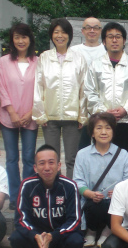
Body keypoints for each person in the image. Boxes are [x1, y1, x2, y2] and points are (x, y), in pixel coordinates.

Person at [9, 144, 83, 248]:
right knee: (16, 238)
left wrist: (53, 235)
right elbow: (20, 218)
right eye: (42, 163)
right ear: (35, 168)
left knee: (77, 239)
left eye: (51, 162)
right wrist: (35, 235)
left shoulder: (69, 186)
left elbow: (75, 220)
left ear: (59, 165)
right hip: (36, 238)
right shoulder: (27, 185)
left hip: (59, 237)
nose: (47, 168)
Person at [33, 18, 87, 178]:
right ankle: (53, 191)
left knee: (72, 159)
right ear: (51, 35)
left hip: (73, 117)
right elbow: (38, 85)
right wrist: (40, 114)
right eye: (56, 32)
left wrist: (82, 115)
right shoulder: (44, 57)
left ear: (69, 35)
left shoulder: (79, 58)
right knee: (51, 159)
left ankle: (70, 191)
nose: (60, 36)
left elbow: (84, 88)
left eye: (63, 32)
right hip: (50, 117)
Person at [73, 113, 128, 248]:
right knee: (96, 205)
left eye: (108, 128)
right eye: (99, 128)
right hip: (92, 203)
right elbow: (77, 181)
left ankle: (108, 231)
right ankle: (91, 231)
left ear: (113, 131)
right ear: (92, 133)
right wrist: (89, 193)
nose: (104, 132)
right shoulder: (82, 155)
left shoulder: (122, 154)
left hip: (115, 202)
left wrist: (119, 191)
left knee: (117, 204)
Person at [84, 22, 128, 156]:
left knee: (125, 158)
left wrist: (125, 110)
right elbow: (89, 92)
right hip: (102, 123)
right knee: (101, 157)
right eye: (110, 37)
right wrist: (104, 112)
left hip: (126, 121)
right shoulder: (96, 65)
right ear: (104, 41)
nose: (114, 40)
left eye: (118, 36)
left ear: (124, 41)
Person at [0, 23, 39, 210]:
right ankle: (14, 196)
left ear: (30, 39)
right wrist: (12, 112)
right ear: (12, 40)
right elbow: (1, 88)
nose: (21, 41)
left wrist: (30, 113)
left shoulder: (38, 62)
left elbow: (41, 90)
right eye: (17, 37)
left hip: (31, 117)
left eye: (24, 37)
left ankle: (27, 194)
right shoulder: (3, 62)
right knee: (12, 158)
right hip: (8, 117)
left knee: (29, 158)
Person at [71, 16, 107, 150]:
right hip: (81, 107)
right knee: (82, 147)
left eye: (96, 28)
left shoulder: (106, 50)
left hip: (102, 105)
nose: (92, 30)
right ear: (82, 31)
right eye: (88, 28)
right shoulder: (74, 51)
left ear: (100, 31)